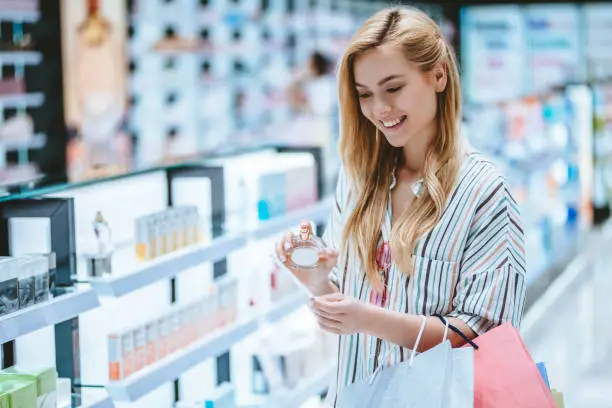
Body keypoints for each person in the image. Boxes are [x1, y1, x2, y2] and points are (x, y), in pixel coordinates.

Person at [275, 6, 526, 406]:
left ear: (438, 75)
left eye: (393, 88)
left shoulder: (482, 192)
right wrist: (320, 282)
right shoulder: (357, 180)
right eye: (365, 95)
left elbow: (485, 335)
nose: (379, 109)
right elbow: (352, 306)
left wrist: (369, 319)